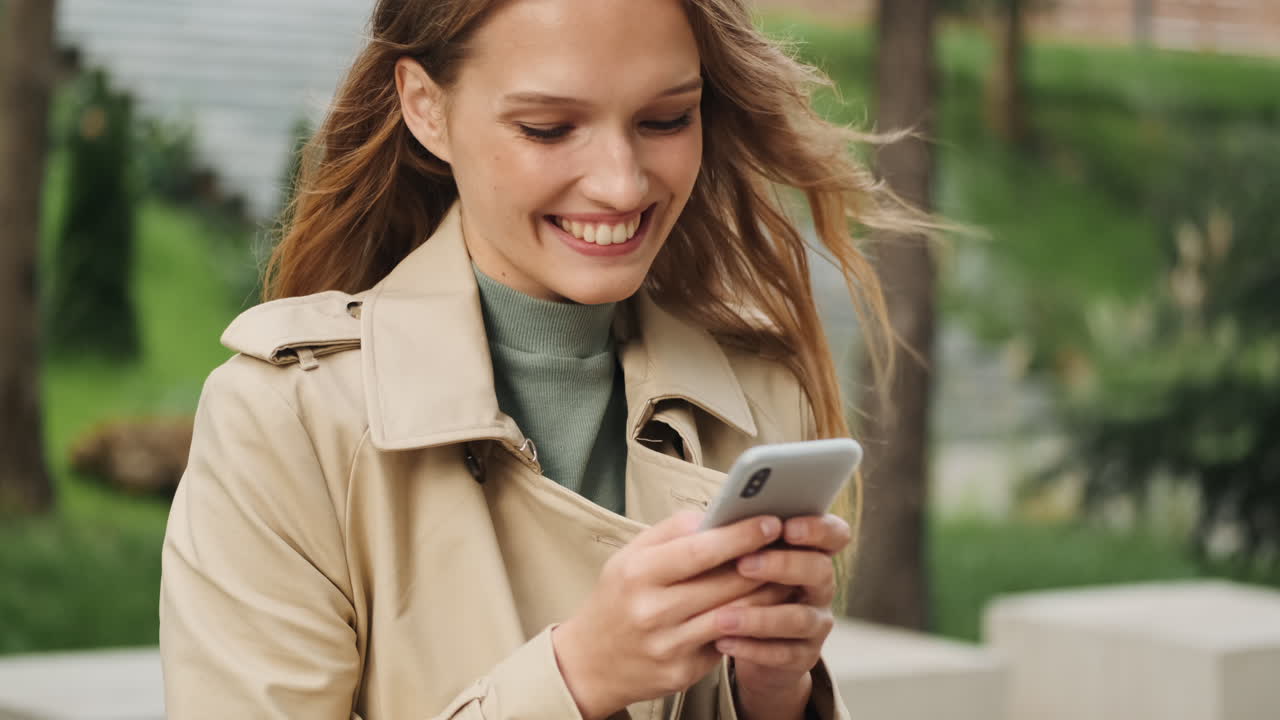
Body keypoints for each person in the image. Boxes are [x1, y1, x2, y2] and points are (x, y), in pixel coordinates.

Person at [159, 1, 912, 718]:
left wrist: (774, 695)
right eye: (549, 128)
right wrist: (580, 675)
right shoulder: (285, 421)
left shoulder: (757, 395)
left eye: (666, 119)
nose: (621, 183)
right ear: (426, 107)